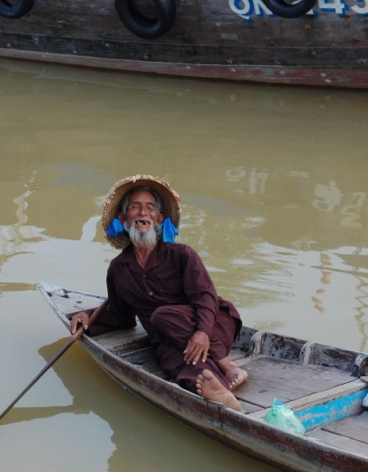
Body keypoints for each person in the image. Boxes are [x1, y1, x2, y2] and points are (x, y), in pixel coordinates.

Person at [69, 174, 248, 411]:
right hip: (167, 339)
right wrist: (88, 317)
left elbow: (205, 297)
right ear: (123, 219)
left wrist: (203, 332)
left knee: (162, 317)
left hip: (212, 325)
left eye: (150, 208)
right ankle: (220, 391)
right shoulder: (118, 269)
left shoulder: (182, 255)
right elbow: (121, 317)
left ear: (159, 219)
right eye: (135, 207)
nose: (143, 213)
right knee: (171, 361)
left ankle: (226, 364)